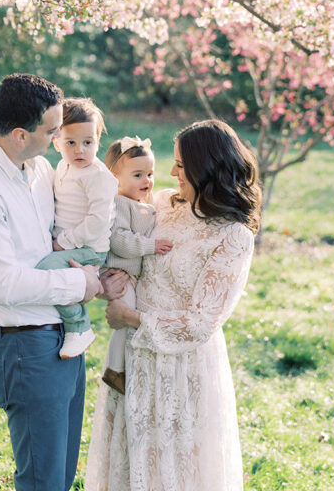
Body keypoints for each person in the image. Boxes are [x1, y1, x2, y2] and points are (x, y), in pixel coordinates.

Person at [85, 118, 262, 491]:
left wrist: (130, 317)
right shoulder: (163, 203)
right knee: (133, 461)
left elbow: (201, 323)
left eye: (180, 165)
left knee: (176, 468)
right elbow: (125, 250)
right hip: (135, 357)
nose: (170, 172)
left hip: (183, 369)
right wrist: (112, 282)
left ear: (205, 167)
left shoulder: (233, 237)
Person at [0, 73, 104, 491]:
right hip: (25, 348)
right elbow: (3, 284)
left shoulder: (38, 169)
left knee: (61, 474)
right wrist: (78, 285)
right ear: (19, 134)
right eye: (52, 131)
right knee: (42, 482)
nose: (59, 138)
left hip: (65, 338)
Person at [35, 97, 118, 358]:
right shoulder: (62, 166)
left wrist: (63, 242)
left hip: (89, 248)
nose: (80, 150)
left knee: (47, 270)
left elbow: (98, 221)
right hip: (72, 243)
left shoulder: (98, 176)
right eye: (71, 143)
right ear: (56, 141)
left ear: (97, 141)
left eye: (88, 142)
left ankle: (79, 326)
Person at [100, 135, 173, 394]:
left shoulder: (140, 203)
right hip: (120, 274)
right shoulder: (119, 203)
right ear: (115, 179)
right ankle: (114, 370)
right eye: (138, 175)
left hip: (130, 274)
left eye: (150, 174)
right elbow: (119, 240)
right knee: (123, 320)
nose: (147, 181)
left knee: (127, 321)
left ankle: (119, 367)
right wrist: (150, 246)